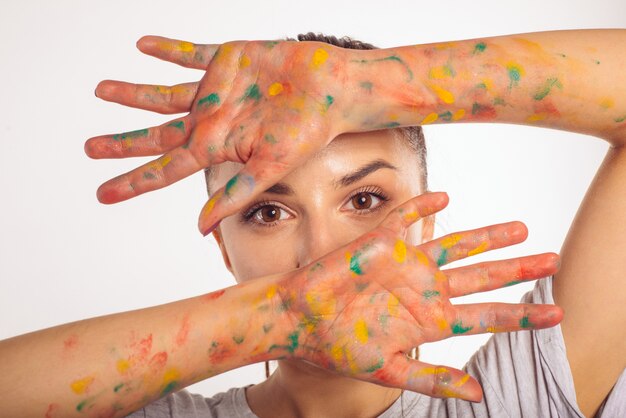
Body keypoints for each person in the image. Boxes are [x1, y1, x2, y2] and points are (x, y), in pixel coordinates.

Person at [0, 29, 623, 418]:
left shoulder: (526, 399)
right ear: (225, 250)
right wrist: (276, 319)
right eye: (268, 212)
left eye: (366, 200)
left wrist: (368, 83)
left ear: (425, 224)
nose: (326, 253)